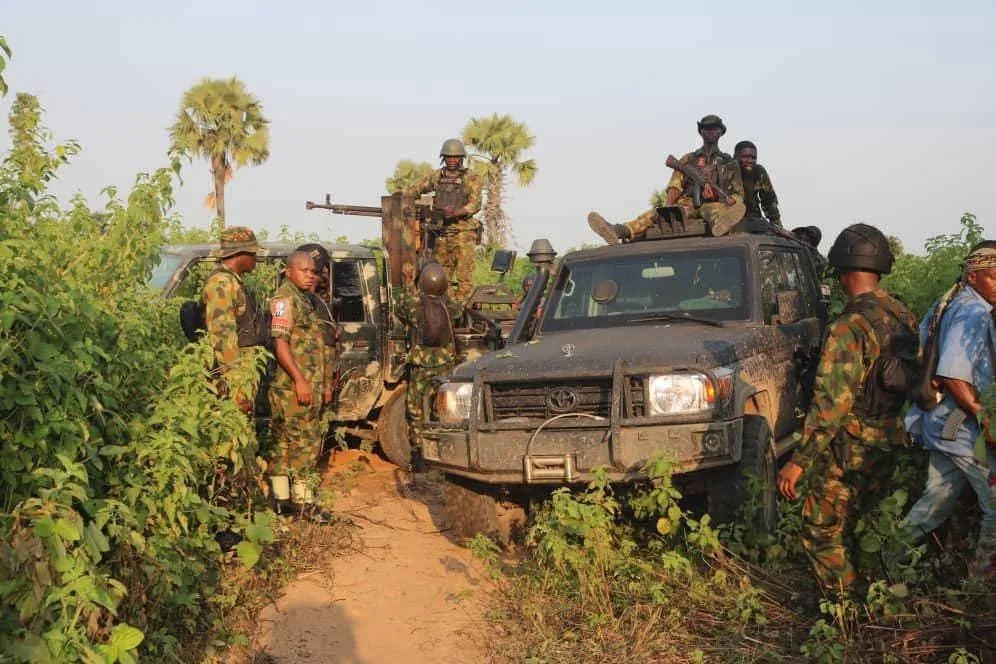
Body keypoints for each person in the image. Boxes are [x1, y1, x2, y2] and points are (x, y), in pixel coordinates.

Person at [777, 223, 918, 591]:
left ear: (841, 273)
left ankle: (844, 609)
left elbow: (830, 405)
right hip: (888, 437)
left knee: (821, 531)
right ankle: (872, 593)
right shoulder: (902, 315)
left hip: (848, 445)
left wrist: (797, 463)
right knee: (863, 522)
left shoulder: (849, 326)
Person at [901, 243, 996, 577]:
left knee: (936, 503)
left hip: (945, 424)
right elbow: (953, 374)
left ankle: (886, 560)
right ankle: (981, 583)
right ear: (974, 277)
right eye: (995, 278)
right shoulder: (973, 311)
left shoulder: (953, 303)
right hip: (961, 425)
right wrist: (986, 419)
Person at [588, 114, 746, 244]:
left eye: (714, 128)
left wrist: (725, 200)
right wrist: (667, 208)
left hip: (715, 203)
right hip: (687, 203)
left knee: (716, 213)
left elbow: (739, 193)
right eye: (706, 129)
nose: (710, 132)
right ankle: (617, 230)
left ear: (721, 132)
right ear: (701, 132)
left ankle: (722, 227)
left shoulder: (730, 163)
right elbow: (675, 185)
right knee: (652, 215)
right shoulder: (688, 160)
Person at [268, 251, 333, 520]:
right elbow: (279, 342)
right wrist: (300, 380)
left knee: (283, 445)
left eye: (314, 272)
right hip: (292, 388)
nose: (311, 276)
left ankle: (282, 503)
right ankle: (305, 505)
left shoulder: (304, 299)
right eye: (305, 271)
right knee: (304, 442)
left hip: (303, 385)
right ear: (289, 271)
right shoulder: (284, 299)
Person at [394, 262, 464, 467]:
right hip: (445, 365)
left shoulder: (413, 304)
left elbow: (400, 306)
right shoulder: (452, 306)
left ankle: (418, 455)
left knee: (415, 409)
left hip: (420, 365)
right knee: (443, 408)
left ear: (422, 283)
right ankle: (445, 455)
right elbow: (459, 309)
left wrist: (408, 281)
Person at [406, 138, 484, 305]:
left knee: (465, 276)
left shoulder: (472, 178)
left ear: (462, 158)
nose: (452, 160)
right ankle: (446, 305)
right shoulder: (437, 176)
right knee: (441, 274)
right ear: (443, 158)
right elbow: (415, 190)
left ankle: (459, 307)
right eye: (449, 157)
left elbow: (475, 203)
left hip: (464, 233)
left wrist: (456, 213)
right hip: (441, 233)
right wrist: (403, 201)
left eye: (456, 157)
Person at [202, 226, 267, 413]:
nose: (256, 258)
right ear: (240, 254)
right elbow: (223, 336)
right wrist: (238, 387)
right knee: (231, 435)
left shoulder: (233, 281)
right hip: (232, 380)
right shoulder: (222, 283)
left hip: (241, 374)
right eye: (253, 253)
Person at [296, 243, 341, 409]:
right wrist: (326, 385)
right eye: (321, 270)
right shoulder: (301, 300)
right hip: (311, 377)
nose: (324, 275)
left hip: (320, 376)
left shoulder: (315, 300)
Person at [734, 140, 782, 227]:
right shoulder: (727, 171)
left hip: (753, 218)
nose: (750, 161)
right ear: (736, 157)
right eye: (745, 157)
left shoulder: (758, 171)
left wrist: (777, 223)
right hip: (729, 218)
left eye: (753, 158)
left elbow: (769, 199)